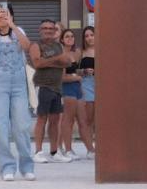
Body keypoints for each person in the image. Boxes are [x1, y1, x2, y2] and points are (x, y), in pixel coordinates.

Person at [0, 5, 37, 181]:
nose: (4, 17)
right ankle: (7, 167)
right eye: (0, 14)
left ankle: (27, 166)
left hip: (18, 83)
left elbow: (27, 45)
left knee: (22, 125)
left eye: (7, 14)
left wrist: (12, 26)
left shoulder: (18, 30)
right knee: (0, 127)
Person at [30, 19, 71, 161]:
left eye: (51, 28)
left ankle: (54, 152)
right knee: (42, 118)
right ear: (40, 30)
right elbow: (37, 63)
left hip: (57, 87)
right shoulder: (36, 45)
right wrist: (57, 60)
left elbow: (67, 62)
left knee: (55, 119)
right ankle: (38, 152)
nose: (48, 30)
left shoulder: (59, 46)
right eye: (45, 28)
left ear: (54, 31)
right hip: (43, 86)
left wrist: (51, 60)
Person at [58, 26, 88, 160]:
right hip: (67, 89)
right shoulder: (61, 56)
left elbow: (75, 71)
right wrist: (76, 77)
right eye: (67, 37)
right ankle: (68, 149)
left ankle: (89, 149)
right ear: (62, 40)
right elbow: (62, 77)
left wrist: (83, 72)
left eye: (72, 36)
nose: (70, 38)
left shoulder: (75, 54)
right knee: (68, 120)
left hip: (78, 88)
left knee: (82, 119)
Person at [77, 23, 97, 157]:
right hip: (87, 84)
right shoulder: (81, 52)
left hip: (101, 85)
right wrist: (84, 70)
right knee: (88, 118)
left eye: (92, 35)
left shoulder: (103, 50)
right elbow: (73, 70)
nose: (89, 38)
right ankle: (90, 149)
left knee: (99, 119)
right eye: (86, 36)